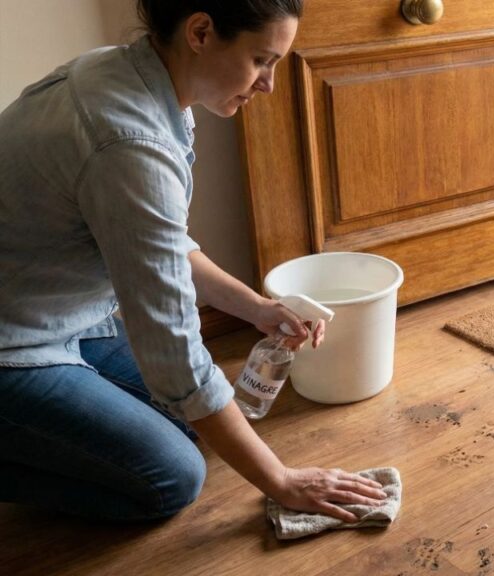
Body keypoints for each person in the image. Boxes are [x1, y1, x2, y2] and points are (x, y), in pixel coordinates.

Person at [0, 0, 387, 522]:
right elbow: (174, 351)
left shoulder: (133, 77)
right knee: (173, 476)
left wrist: (256, 308)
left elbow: (161, 242)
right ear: (201, 32)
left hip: (66, 315)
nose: (269, 85)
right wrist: (282, 480)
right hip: (12, 342)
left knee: (192, 418)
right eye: (261, 60)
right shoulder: (128, 138)